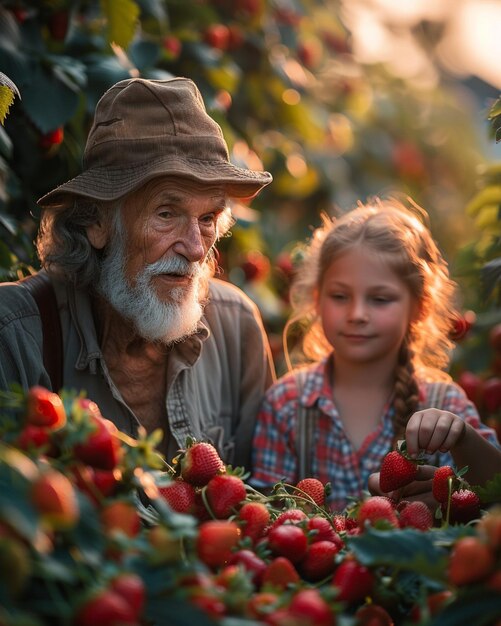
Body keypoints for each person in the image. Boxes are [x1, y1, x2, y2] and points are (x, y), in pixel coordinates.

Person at [0, 76, 276, 471]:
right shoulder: (14, 335)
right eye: (167, 213)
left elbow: (268, 509)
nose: (196, 248)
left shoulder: (237, 327)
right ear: (96, 223)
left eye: (208, 218)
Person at [251, 197, 501, 512]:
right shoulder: (286, 404)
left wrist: (459, 458)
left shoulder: (445, 405)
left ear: (419, 307)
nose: (356, 314)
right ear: (317, 299)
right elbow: (265, 513)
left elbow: (495, 497)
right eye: (340, 296)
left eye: (380, 299)